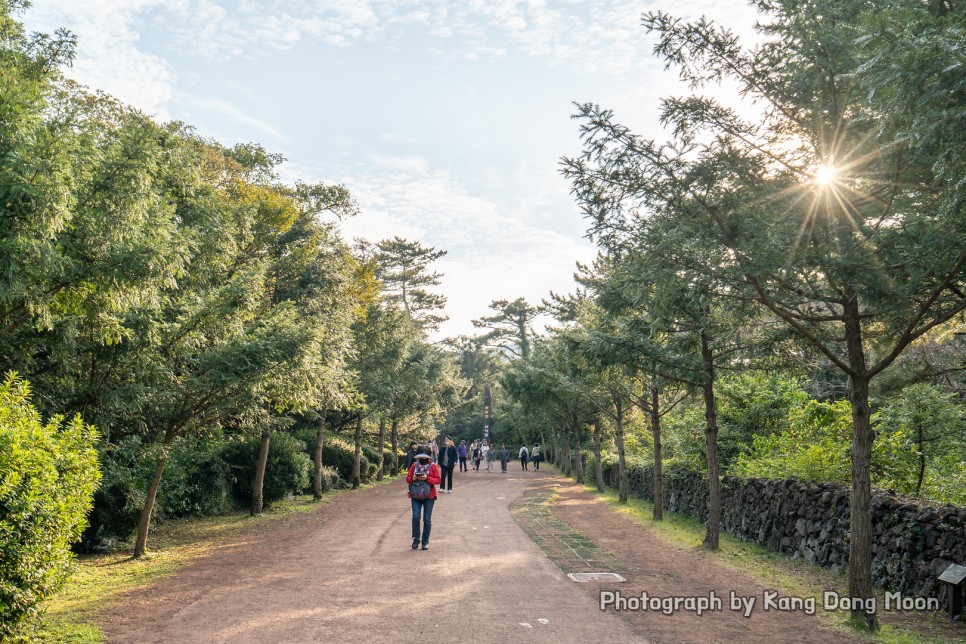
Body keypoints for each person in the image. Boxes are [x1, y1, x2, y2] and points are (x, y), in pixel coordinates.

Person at [407, 447, 440, 550]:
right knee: (416, 517)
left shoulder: (433, 466)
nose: (422, 459)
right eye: (420, 457)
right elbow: (408, 479)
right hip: (415, 495)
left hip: (429, 496)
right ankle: (416, 539)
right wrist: (412, 478)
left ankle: (425, 541)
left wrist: (427, 478)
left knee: (427, 519)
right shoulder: (414, 466)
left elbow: (438, 480)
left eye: (424, 457)